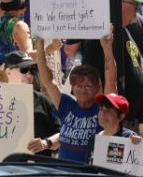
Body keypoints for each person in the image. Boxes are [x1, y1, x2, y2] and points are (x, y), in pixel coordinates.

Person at [64, 0, 143, 135]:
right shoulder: (100, 36)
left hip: (129, 114)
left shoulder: (130, 27)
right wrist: (106, 117)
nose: (138, 10)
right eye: (134, 4)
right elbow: (94, 78)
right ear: (120, 5)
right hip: (113, 118)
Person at [34, 28, 116, 163]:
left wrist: (107, 49)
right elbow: (48, 81)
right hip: (65, 176)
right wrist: (40, 45)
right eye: (78, 85)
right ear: (72, 88)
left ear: (98, 88)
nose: (83, 89)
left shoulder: (103, 109)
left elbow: (111, 81)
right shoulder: (67, 105)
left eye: (88, 85)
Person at [0, 51, 60, 157]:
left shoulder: (43, 101)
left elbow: (62, 134)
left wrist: (46, 143)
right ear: (8, 72)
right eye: (24, 69)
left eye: (32, 71)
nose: (29, 75)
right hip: (1, 168)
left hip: (35, 168)